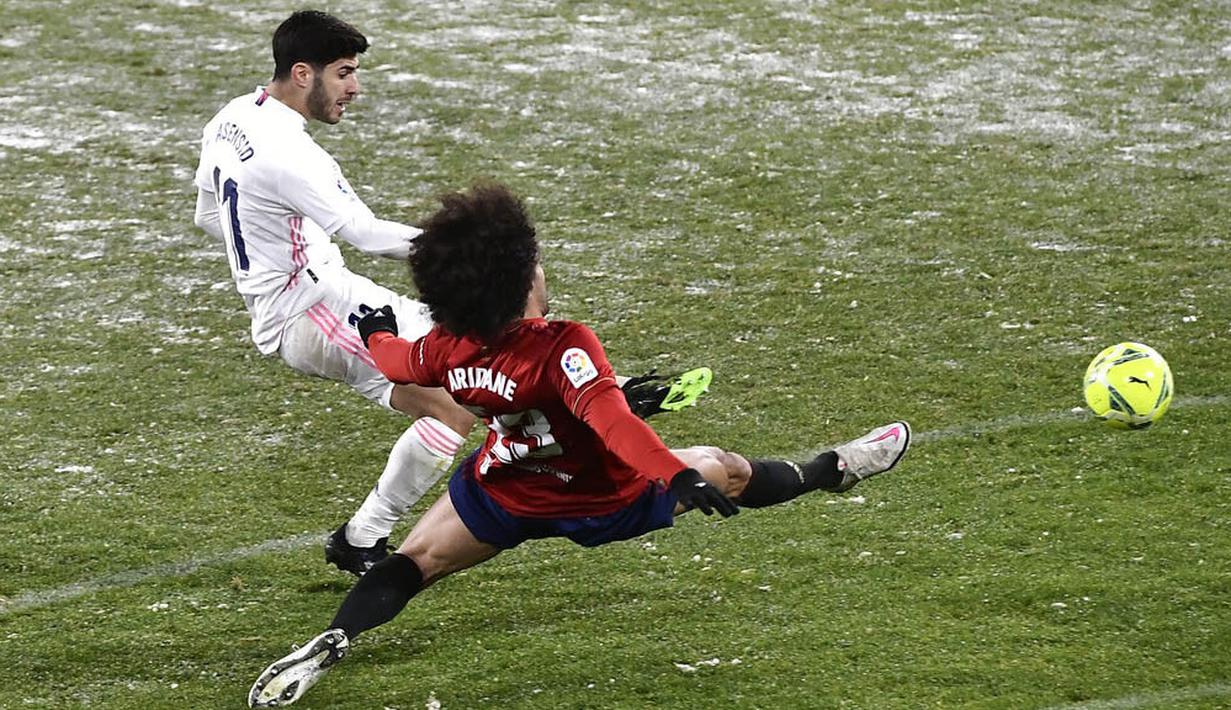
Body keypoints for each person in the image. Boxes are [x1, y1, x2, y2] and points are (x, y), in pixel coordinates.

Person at [246, 181, 911, 708]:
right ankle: (835, 469)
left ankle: (335, 637)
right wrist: (674, 474)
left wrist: (373, 331)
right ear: (519, 282)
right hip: (600, 497)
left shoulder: (447, 346)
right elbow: (612, 423)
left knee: (414, 562)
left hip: (504, 493)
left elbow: (399, 361)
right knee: (726, 468)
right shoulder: (563, 344)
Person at [192, 11, 708, 576]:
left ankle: (603, 390)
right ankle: (362, 538)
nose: (355, 87)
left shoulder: (232, 118)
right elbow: (366, 234)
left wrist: (269, 252)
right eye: (343, 73)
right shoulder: (292, 154)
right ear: (301, 73)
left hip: (326, 292)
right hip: (309, 310)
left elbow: (207, 216)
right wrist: (471, 248)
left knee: (467, 344)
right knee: (453, 406)